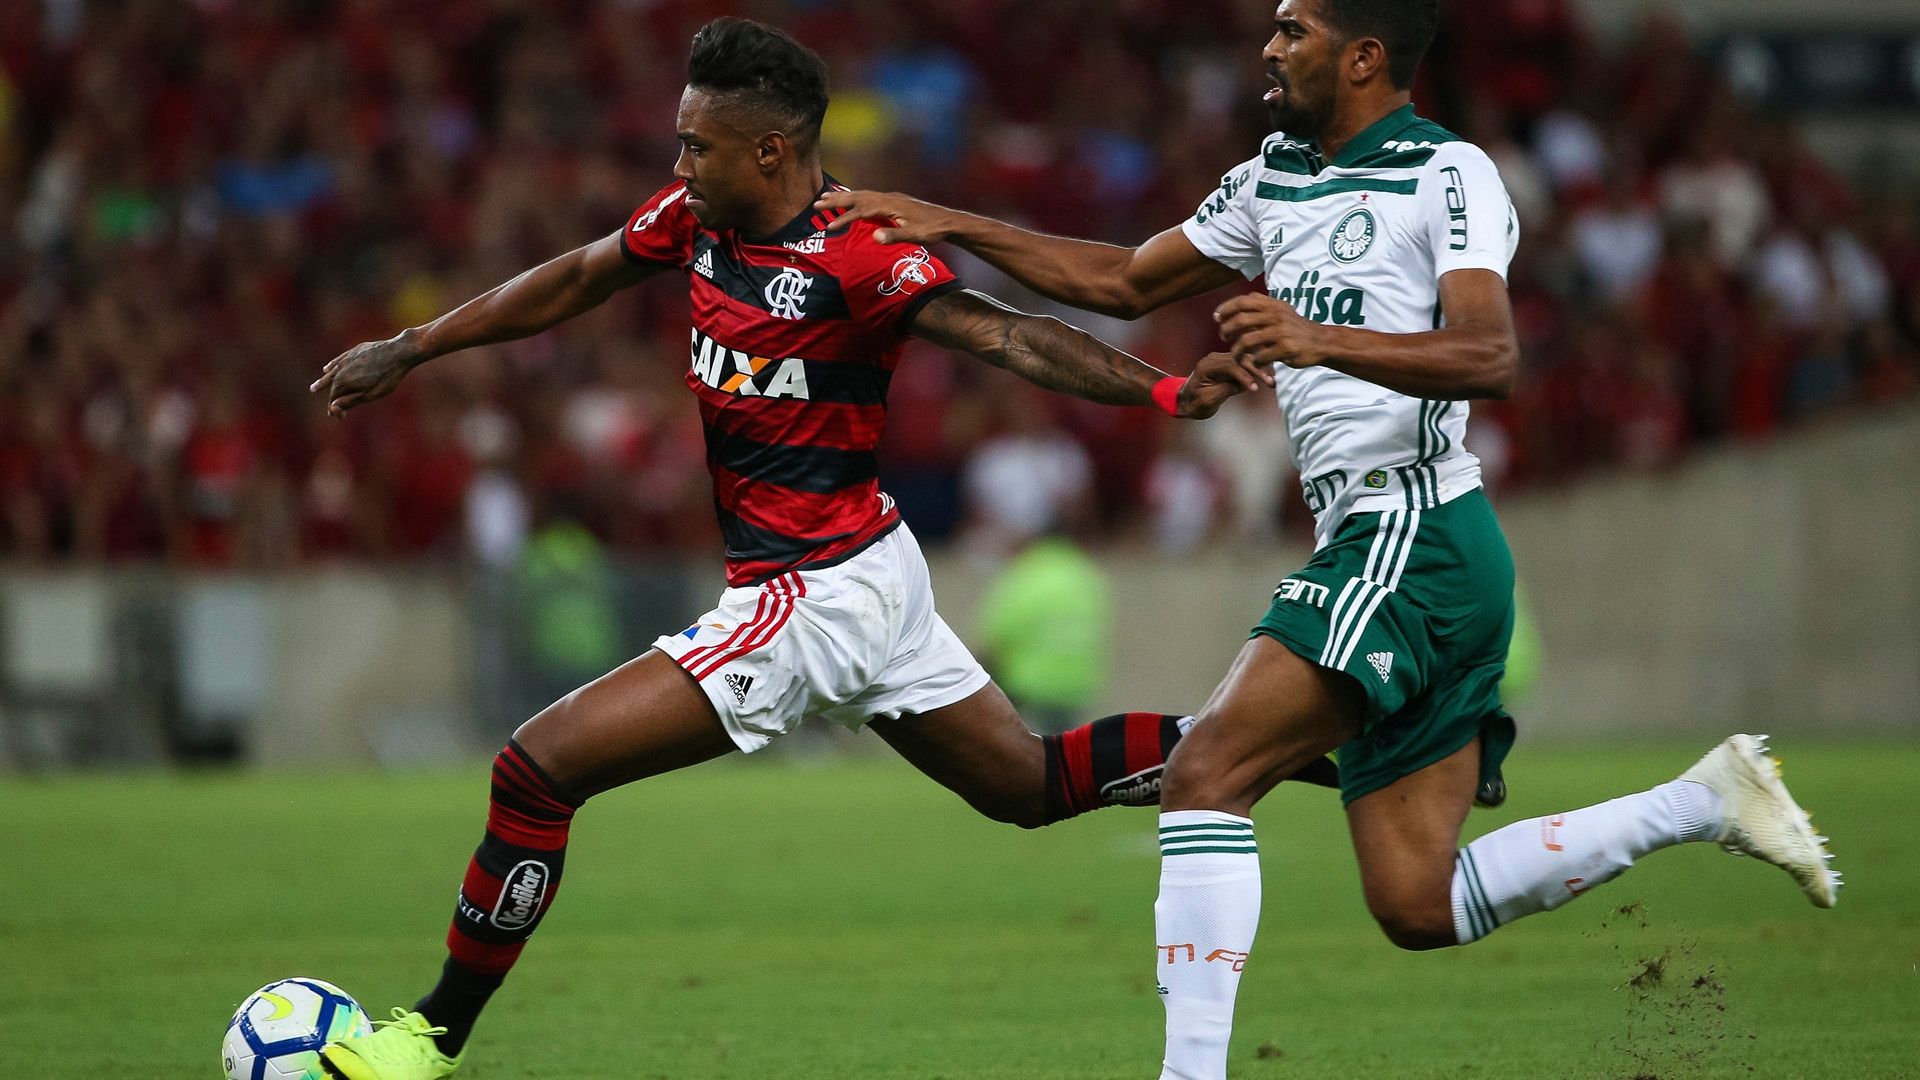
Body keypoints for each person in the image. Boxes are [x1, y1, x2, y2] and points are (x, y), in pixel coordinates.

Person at [818, 2, 1840, 1077]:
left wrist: (1316, 338)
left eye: (1294, 29)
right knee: (1418, 903)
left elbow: (1489, 354)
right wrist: (950, 223)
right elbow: (1119, 280)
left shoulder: (1449, 174)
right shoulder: (1274, 178)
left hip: (1413, 525)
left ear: (1363, 56)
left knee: (1207, 772)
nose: (1270, 48)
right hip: (1399, 546)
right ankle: (1702, 800)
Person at [305, 19, 1296, 1080]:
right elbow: (577, 276)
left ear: (770, 150)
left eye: (698, 146)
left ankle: (429, 1039)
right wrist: (415, 345)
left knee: (535, 771)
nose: (679, 166)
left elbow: (1005, 331)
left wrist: (1160, 391)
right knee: (1030, 785)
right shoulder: (695, 221)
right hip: (866, 569)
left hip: (813, 593)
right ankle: (1293, 739)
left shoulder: (859, 251)